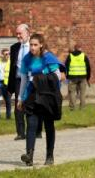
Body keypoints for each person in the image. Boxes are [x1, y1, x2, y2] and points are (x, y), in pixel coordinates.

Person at [17, 33, 63, 167]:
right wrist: (20, 98)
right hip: (32, 95)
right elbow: (24, 79)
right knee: (31, 124)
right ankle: (29, 155)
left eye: (35, 45)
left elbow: (57, 75)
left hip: (47, 95)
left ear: (41, 45)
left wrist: (42, 78)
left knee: (49, 125)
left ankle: (49, 156)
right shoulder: (27, 59)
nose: (32, 47)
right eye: (31, 44)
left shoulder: (48, 58)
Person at [7, 24, 31, 140]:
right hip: (18, 80)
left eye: (20, 33)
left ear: (27, 33)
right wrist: (10, 86)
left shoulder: (34, 45)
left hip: (32, 80)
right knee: (18, 106)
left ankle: (35, 131)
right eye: (16, 34)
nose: (18, 36)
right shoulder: (14, 47)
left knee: (33, 105)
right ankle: (21, 133)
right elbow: (13, 66)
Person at [64, 42, 91, 111]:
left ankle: (72, 107)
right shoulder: (84, 56)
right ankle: (82, 108)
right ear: (80, 48)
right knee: (82, 93)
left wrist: (66, 76)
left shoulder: (70, 56)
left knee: (72, 92)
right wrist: (88, 77)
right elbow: (88, 67)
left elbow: (66, 67)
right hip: (82, 77)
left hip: (72, 77)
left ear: (74, 48)